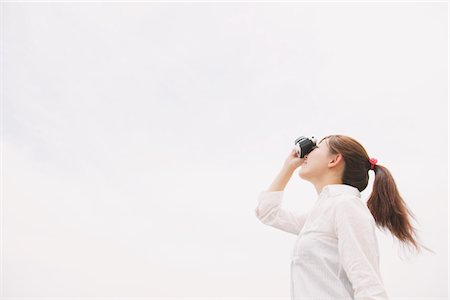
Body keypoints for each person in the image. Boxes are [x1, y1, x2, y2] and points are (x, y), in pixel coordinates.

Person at [255, 134, 432, 300]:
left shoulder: (346, 206)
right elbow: (267, 213)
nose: (306, 154)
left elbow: (368, 285)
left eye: (317, 147)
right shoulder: (321, 213)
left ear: (334, 159)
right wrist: (288, 167)